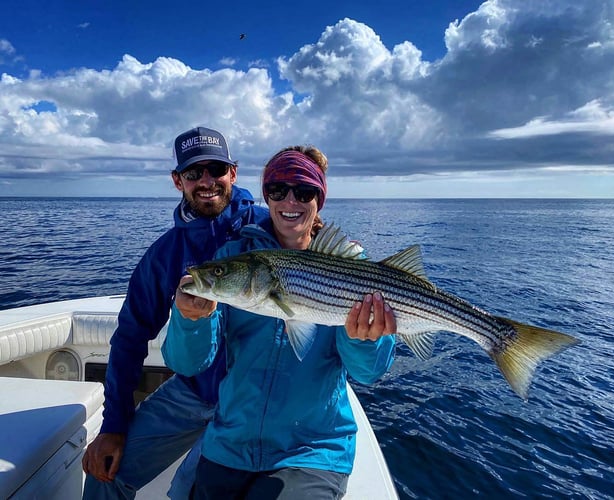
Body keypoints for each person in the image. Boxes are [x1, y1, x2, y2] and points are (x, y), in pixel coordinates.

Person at [163, 145, 397, 499]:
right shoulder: (233, 256)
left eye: (304, 192)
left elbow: (367, 373)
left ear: (320, 198)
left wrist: (366, 339)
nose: (291, 201)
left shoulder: (356, 269)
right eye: (277, 191)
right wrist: (189, 319)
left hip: (313, 450)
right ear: (266, 196)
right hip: (230, 443)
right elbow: (188, 363)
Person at [82, 126, 269, 499]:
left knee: (187, 489)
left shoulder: (267, 229)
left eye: (215, 169)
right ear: (177, 180)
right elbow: (130, 337)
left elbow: (309, 239)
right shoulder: (164, 254)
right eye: (192, 172)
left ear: (232, 173)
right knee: (108, 473)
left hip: (253, 401)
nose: (206, 181)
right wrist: (114, 424)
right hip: (192, 392)